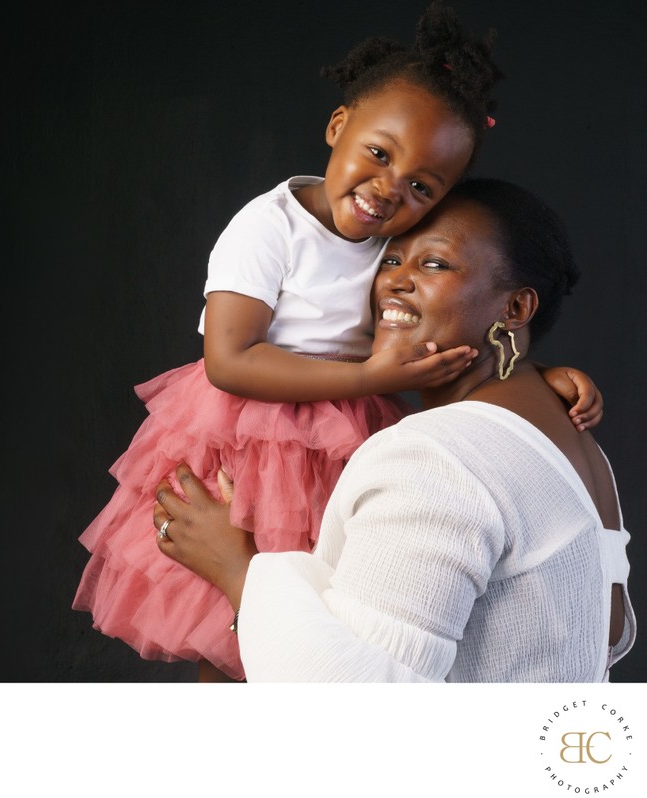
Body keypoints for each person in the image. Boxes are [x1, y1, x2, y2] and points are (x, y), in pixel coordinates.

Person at [72, 2, 600, 682]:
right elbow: (229, 361)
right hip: (255, 431)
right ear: (337, 125)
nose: (388, 189)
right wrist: (370, 378)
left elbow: (444, 336)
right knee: (229, 639)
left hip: (343, 433)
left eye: (420, 186)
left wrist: (539, 374)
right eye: (378, 156)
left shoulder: (389, 240)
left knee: (322, 610)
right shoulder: (270, 227)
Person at [153, 177, 636, 682]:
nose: (394, 282)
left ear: (515, 308)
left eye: (434, 263)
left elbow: (357, 703)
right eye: (388, 258)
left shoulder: (434, 457)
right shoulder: (566, 435)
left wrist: (238, 572)